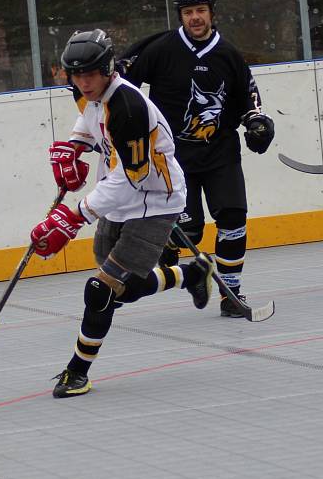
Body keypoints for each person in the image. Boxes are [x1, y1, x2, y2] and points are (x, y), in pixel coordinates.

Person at [30, 29, 214, 397]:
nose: (83, 82)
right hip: (121, 196)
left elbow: (134, 178)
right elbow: (89, 121)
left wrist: (77, 214)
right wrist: (74, 147)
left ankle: (77, 371)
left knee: (101, 289)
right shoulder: (93, 94)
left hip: (155, 201)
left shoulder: (128, 108)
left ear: (108, 69)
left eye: (91, 74)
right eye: (76, 75)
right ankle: (190, 273)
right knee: (121, 291)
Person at [123, 0, 275, 318]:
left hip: (220, 152)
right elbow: (123, 86)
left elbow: (248, 97)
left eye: (200, 11)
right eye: (188, 12)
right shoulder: (161, 49)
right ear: (181, 15)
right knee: (188, 231)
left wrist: (256, 121)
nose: (195, 17)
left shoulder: (228, 54)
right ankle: (166, 245)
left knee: (233, 219)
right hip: (174, 159)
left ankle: (230, 294)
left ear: (211, 13)